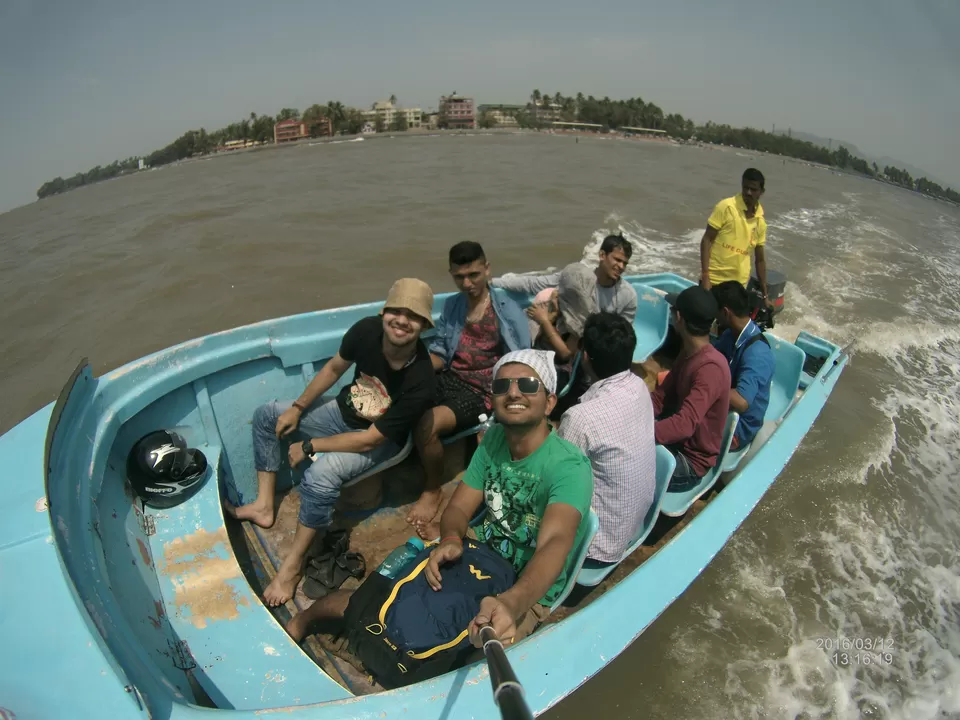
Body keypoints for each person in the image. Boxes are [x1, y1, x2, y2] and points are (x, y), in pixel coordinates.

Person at [285, 349, 594, 651]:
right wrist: (450, 538)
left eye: (527, 385)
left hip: (527, 588)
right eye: (502, 386)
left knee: (464, 655)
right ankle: (303, 620)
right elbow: (459, 506)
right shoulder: (495, 440)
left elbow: (555, 543)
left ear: (550, 401)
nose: (513, 393)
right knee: (386, 602)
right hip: (477, 549)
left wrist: (511, 603)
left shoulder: (568, 467)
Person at [226, 278, 437, 606]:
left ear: (423, 325)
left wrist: (311, 447)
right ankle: (265, 505)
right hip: (342, 411)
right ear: (383, 313)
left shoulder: (421, 379)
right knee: (269, 414)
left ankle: (292, 567)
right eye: (395, 310)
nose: (401, 320)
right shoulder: (365, 331)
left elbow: (370, 440)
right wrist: (298, 408)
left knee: (320, 476)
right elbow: (335, 367)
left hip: (379, 441)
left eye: (412, 315)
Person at [407, 241, 530, 534]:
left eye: (474, 275)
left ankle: (433, 488)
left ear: (487, 269)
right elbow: (440, 351)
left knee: (428, 425)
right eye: (459, 277)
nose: (467, 283)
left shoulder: (507, 312)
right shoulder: (453, 305)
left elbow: (523, 359)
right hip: (451, 375)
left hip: (483, 391)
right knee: (402, 397)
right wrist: (414, 369)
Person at [558, 313, 656, 567]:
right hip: (634, 524)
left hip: (597, 545)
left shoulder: (581, 417)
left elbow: (555, 482)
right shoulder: (639, 386)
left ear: (586, 356)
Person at [654, 287, 731, 491]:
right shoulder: (688, 353)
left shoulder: (710, 369)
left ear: (679, 317)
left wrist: (639, 432)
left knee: (618, 466)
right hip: (673, 443)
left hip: (689, 463)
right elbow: (661, 397)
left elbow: (684, 425)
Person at [492, 233, 638, 322]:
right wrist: (492, 282)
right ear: (602, 255)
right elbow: (532, 283)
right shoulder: (575, 278)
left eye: (624, 263)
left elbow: (623, 332)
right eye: (617, 260)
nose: (621, 266)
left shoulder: (627, 295)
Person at [711, 281, 775, 449]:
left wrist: (704, 385)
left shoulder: (758, 353)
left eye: (714, 311)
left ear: (725, 312)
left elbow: (741, 401)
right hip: (721, 407)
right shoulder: (729, 334)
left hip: (738, 427)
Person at [699, 168, 771, 305]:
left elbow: (760, 260)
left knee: (727, 326)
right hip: (714, 281)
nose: (748, 193)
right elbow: (707, 240)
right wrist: (705, 276)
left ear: (761, 192)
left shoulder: (760, 221)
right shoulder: (726, 207)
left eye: (753, 189)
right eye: (746, 188)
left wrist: (765, 295)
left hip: (739, 286)